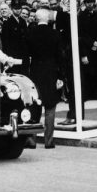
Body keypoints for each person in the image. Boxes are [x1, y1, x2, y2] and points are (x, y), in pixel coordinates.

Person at [27, 9, 63, 148]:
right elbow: (59, 56)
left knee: (35, 106)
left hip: (35, 71)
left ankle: (31, 140)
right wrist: (60, 76)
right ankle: (49, 140)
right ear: (48, 19)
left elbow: (27, 53)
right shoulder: (55, 34)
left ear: (36, 19)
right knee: (50, 107)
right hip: (51, 72)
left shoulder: (31, 33)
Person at [0, 0, 29, 75]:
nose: (18, 10)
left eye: (19, 8)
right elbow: (5, 42)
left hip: (23, 54)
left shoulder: (23, 21)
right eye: (15, 8)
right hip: (12, 55)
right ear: (12, 9)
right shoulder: (7, 22)